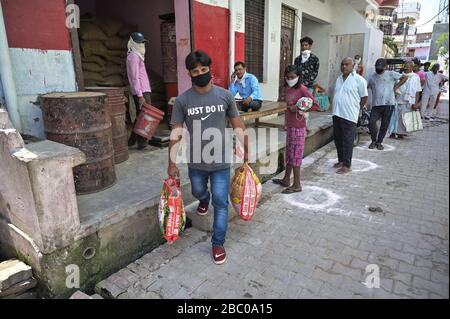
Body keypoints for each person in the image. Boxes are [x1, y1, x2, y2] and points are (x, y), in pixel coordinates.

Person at [168, 51, 249, 265]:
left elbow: (237, 124)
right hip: (196, 160)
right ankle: (203, 199)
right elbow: (176, 131)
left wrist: (246, 149)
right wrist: (171, 162)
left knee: (221, 202)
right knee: (197, 191)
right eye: (195, 71)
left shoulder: (225, 95)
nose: (200, 74)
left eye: (204, 70)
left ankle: (217, 243)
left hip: (222, 161)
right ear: (190, 74)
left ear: (210, 69)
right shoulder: (182, 100)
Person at [272, 65, 319, 194]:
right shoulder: (289, 89)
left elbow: (315, 105)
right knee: (290, 154)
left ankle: (297, 184)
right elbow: (288, 107)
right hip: (291, 126)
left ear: (298, 77)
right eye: (287, 77)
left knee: (296, 155)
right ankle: (286, 179)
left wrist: (298, 109)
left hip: (298, 127)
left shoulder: (302, 89)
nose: (290, 79)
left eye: (292, 77)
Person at [332, 58, 368, 174]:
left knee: (347, 141)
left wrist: (358, 109)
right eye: (342, 64)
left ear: (352, 66)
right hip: (337, 113)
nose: (344, 66)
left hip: (349, 115)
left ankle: (347, 165)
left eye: (346, 64)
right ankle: (341, 161)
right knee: (338, 139)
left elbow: (364, 97)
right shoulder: (338, 79)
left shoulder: (359, 80)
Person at [367, 58, 407, 150]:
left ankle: (379, 142)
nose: (378, 69)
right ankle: (373, 140)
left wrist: (396, 86)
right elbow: (365, 86)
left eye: (381, 67)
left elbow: (405, 77)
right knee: (371, 122)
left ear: (385, 67)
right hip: (376, 104)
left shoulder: (391, 74)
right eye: (377, 67)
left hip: (389, 103)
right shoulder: (371, 77)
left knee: (384, 124)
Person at [127, 32, 152, 150]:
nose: (142, 44)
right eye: (139, 42)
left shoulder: (138, 55)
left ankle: (132, 140)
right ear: (132, 42)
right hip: (141, 91)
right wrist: (140, 95)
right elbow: (134, 77)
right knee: (145, 116)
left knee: (141, 115)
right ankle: (142, 143)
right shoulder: (133, 56)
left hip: (144, 90)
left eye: (143, 42)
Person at [389, 61, 422, 139]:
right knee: (394, 117)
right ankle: (393, 132)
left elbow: (417, 91)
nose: (406, 67)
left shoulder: (415, 77)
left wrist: (416, 103)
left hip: (408, 101)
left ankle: (401, 133)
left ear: (412, 67)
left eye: (408, 66)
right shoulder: (399, 75)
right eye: (405, 66)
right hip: (397, 99)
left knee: (404, 117)